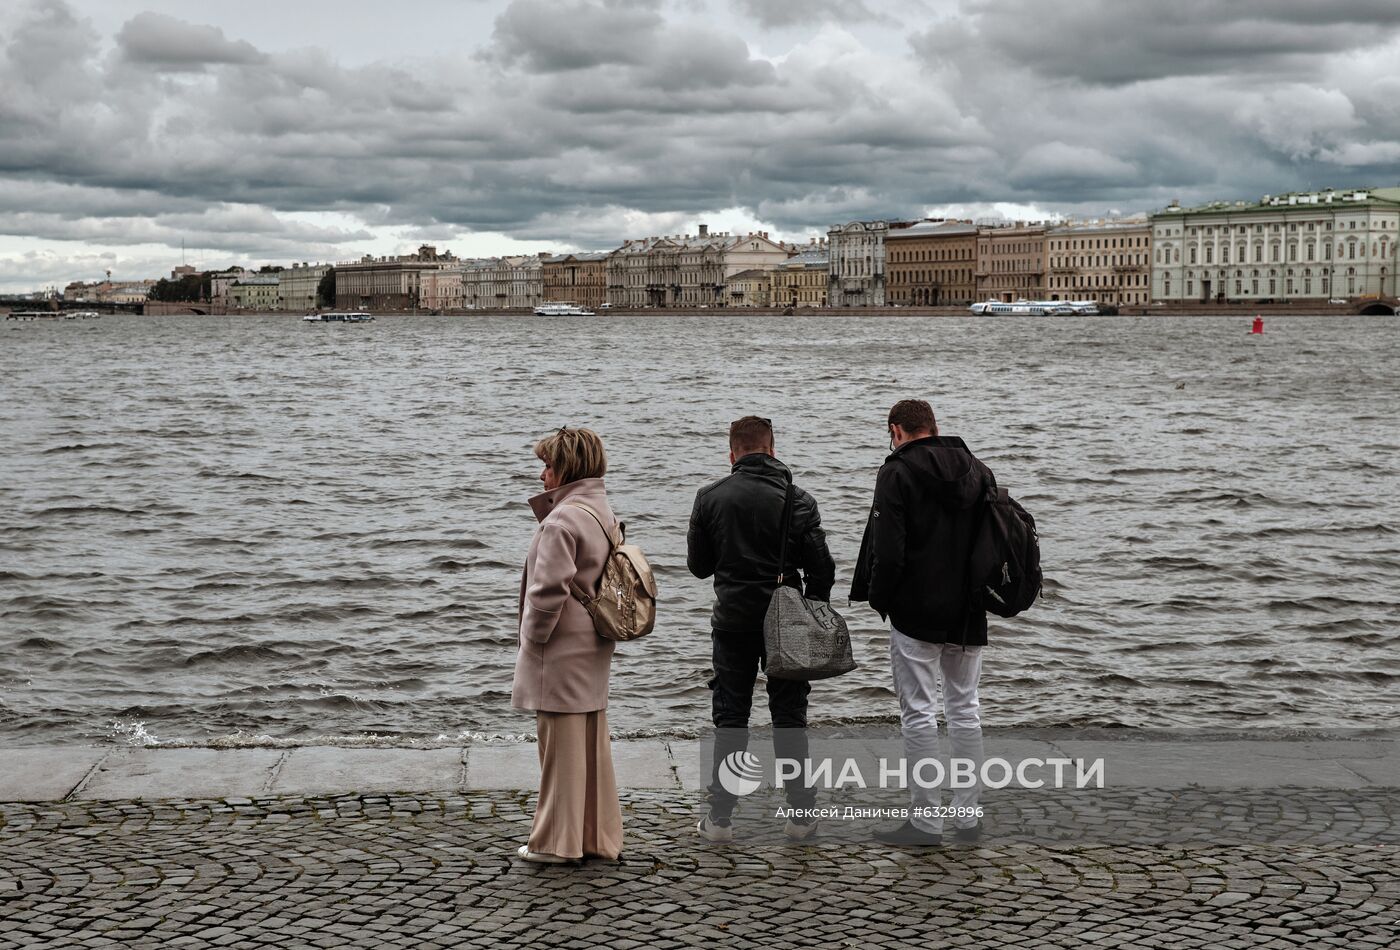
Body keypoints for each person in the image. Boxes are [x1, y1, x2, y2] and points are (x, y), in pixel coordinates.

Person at [850, 399, 994, 847]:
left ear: (896, 430)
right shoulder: (976, 468)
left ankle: (927, 822)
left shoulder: (896, 472)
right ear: (933, 427)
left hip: (916, 609)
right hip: (969, 608)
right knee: (965, 709)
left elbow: (889, 550)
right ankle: (969, 818)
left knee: (918, 713)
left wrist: (880, 599)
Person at [687, 416, 835, 842]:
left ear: (732, 453)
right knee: (789, 717)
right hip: (786, 623)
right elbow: (822, 569)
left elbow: (698, 567)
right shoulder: (798, 499)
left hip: (732, 620)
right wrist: (810, 609)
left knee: (731, 717)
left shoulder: (709, 497)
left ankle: (720, 819)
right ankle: (802, 815)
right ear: (772, 449)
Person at [510, 427, 623, 864]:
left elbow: (548, 590)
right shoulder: (599, 511)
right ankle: (595, 837)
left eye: (549, 465)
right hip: (593, 638)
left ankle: (556, 843)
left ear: (567, 468)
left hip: (559, 645)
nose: (542, 475)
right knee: (591, 745)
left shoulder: (561, 519)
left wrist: (532, 638)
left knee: (559, 748)